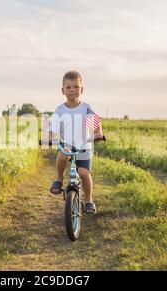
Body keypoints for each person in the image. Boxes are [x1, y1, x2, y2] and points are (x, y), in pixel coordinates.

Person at [49, 71, 104, 214]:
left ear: (82, 89)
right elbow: (53, 128)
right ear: (63, 91)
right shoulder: (60, 110)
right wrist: (48, 137)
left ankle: (88, 200)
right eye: (68, 87)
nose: (72, 90)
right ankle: (59, 179)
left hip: (84, 147)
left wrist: (98, 134)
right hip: (66, 144)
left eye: (75, 86)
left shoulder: (86, 108)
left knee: (84, 173)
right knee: (62, 154)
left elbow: (96, 124)